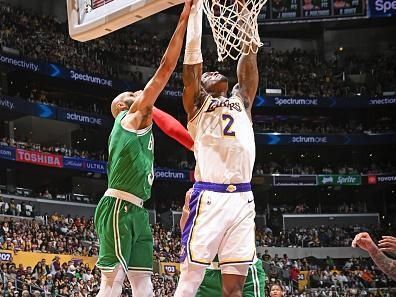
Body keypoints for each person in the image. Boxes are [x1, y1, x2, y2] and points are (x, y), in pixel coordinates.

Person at [94, 1, 193, 296]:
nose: (137, 92)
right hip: (118, 206)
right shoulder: (131, 117)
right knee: (111, 282)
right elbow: (165, 69)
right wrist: (184, 19)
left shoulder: (142, 123)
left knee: (143, 283)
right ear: (124, 106)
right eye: (130, 94)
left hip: (138, 209)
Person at [174, 0, 260, 295]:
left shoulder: (241, 100)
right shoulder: (198, 104)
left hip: (244, 198)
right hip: (210, 195)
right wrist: (195, 14)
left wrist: (246, 15)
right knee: (191, 277)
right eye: (207, 74)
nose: (213, 72)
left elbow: (249, 60)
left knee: (234, 287)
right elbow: (191, 69)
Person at [179, 190, 266, 297]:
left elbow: (248, 232)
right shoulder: (198, 192)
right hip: (208, 271)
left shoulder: (239, 190)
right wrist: (187, 207)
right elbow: (186, 232)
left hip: (241, 269)